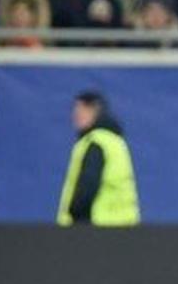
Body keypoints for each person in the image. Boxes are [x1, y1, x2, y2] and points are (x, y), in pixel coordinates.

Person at [56, 91, 139, 226]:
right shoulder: (115, 142)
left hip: (96, 228)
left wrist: (75, 220)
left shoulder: (96, 142)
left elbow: (88, 186)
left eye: (81, 111)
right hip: (123, 228)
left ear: (96, 111)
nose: (76, 116)